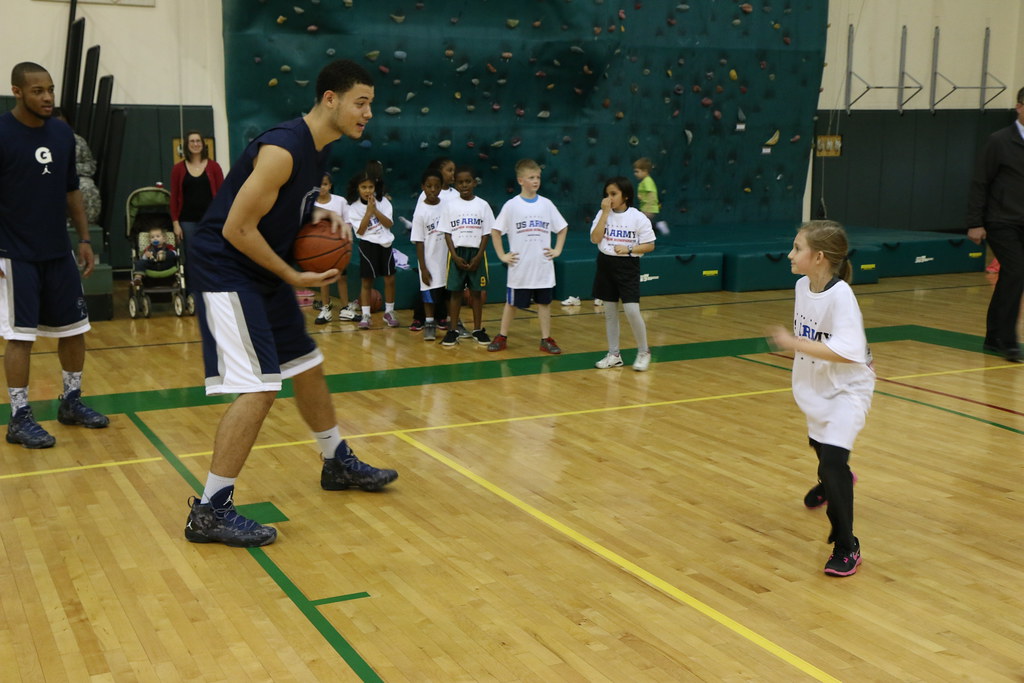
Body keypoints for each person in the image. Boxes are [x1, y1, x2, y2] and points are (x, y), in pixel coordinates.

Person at [183, 59, 398, 548]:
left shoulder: (319, 148)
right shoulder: (283, 148)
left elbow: (283, 202)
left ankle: (336, 461)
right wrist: (293, 275)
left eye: (371, 104)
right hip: (226, 268)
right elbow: (238, 228)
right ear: (331, 100)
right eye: (361, 103)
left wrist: (323, 213)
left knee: (307, 364)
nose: (368, 113)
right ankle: (210, 510)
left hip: (260, 270)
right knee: (260, 387)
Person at [0, 62, 109, 449]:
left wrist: (83, 238)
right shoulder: (2, 133)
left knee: (75, 329)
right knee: (20, 337)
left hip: (58, 250)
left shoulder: (63, 134)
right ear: (17, 91)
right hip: (14, 253)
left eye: (50, 89)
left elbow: (71, 191)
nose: (47, 97)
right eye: (37, 91)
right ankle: (19, 416)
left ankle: (71, 401)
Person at [767, 220, 875, 577]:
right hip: (815, 384)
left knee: (832, 463)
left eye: (797, 248)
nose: (790, 254)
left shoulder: (841, 294)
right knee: (821, 446)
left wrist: (792, 342)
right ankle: (834, 481)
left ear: (819, 257)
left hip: (847, 389)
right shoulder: (802, 286)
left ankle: (847, 546)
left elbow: (848, 351)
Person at [966, 86, 1024, 363]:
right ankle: (1008, 341)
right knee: (1016, 271)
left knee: (1014, 277)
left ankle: (993, 336)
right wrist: (975, 222)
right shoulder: (999, 141)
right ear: (1019, 107)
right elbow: (980, 182)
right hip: (1002, 221)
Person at [488, 159, 568, 354]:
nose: (535, 181)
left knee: (544, 304)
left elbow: (563, 227)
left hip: (542, 267)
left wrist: (557, 250)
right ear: (520, 180)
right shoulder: (512, 205)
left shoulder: (546, 204)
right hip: (520, 267)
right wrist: (502, 255)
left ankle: (546, 338)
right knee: (512, 303)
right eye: (531, 177)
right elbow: (496, 231)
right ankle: (502, 336)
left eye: (538, 177)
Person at [590, 176, 656, 371]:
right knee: (610, 313)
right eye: (607, 194)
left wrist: (629, 250)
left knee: (631, 310)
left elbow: (650, 245)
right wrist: (604, 213)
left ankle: (644, 351)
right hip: (605, 264)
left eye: (613, 194)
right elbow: (595, 238)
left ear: (625, 196)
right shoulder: (603, 214)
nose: (609, 198)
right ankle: (614, 354)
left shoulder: (637, 217)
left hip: (627, 266)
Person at [438, 166, 494, 347]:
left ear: (474, 183)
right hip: (457, 253)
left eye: (467, 181)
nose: (464, 185)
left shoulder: (483, 205)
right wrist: (454, 256)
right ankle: (453, 330)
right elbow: (447, 232)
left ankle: (477, 329)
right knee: (455, 293)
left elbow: (486, 233)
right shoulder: (449, 205)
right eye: (460, 182)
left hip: (476, 252)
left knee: (476, 293)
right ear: (455, 184)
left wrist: (478, 256)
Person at [170, 129, 224, 290]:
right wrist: (175, 223)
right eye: (192, 141)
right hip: (187, 221)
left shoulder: (214, 167)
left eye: (198, 141)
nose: (195, 144)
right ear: (187, 145)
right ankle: (193, 292)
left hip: (210, 220)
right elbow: (174, 197)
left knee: (212, 254)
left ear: (203, 144)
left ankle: (213, 289)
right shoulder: (178, 169)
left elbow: (222, 195)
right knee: (192, 255)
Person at [409, 156, 457, 332]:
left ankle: (445, 319)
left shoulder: (452, 197)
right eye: (449, 170)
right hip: (430, 251)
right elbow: (419, 233)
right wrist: (422, 265)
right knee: (428, 286)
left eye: (454, 170)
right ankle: (423, 318)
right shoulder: (424, 201)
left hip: (447, 251)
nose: (453, 174)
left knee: (447, 289)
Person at [347, 166, 398, 329]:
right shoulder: (353, 207)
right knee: (367, 281)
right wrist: (368, 212)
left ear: (375, 187)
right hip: (368, 244)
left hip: (385, 243)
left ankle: (389, 312)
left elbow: (389, 224)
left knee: (390, 279)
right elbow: (360, 231)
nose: (367, 190)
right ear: (357, 188)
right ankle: (366, 314)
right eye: (363, 187)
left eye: (370, 187)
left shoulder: (383, 202)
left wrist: (375, 210)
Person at [311, 172, 357, 324]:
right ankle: (325, 309)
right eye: (318, 184)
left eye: (324, 184)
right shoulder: (310, 204)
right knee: (324, 279)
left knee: (342, 277)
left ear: (330, 185)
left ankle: (345, 309)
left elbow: (348, 222)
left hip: (338, 247)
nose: (322, 187)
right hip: (319, 248)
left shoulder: (340, 201)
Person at [54, 107, 101, 224]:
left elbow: (90, 166)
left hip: (73, 176)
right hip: (47, 176)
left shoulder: (78, 141)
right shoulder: (38, 140)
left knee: (88, 186)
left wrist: (71, 169)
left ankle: (85, 224)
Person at [633, 157, 668, 235]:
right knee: (643, 224)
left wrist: (649, 205)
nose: (635, 174)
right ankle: (656, 227)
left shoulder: (647, 181)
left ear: (645, 171)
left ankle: (658, 225)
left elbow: (651, 194)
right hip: (646, 207)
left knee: (640, 223)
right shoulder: (644, 181)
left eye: (637, 171)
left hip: (648, 208)